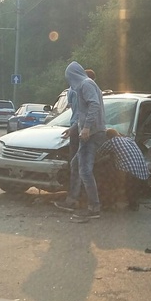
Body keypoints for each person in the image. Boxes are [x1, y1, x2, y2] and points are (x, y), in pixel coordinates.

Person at [54, 62, 106, 219]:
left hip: (92, 134)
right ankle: (73, 200)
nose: (69, 80)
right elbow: (81, 114)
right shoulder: (85, 85)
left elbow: (94, 105)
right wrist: (73, 129)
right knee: (76, 164)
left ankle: (94, 207)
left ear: (74, 75)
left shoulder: (86, 84)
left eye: (69, 76)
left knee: (84, 169)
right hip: (89, 132)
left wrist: (86, 128)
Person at [96, 128, 150, 211]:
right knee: (132, 187)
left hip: (129, 174)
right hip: (143, 174)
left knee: (111, 179)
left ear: (108, 137)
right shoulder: (129, 140)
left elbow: (99, 153)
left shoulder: (112, 142)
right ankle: (133, 204)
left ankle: (109, 204)